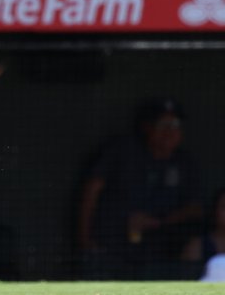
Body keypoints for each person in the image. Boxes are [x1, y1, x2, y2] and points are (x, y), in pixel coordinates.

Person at [78, 98, 203, 280]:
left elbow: (196, 208)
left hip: (159, 253)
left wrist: (158, 221)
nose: (170, 131)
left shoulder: (184, 162)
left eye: (175, 124)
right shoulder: (122, 151)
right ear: (147, 127)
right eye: (163, 124)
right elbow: (91, 190)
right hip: (110, 247)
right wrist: (84, 239)